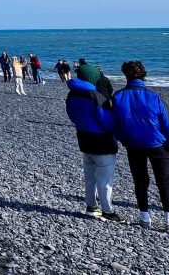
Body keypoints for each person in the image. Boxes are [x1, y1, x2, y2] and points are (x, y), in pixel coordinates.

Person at [112, 60, 169, 233]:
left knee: (140, 181)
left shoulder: (118, 96)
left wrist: (124, 139)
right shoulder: (153, 96)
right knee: (164, 181)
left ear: (126, 75)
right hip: (157, 144)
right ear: (143, 75)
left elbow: (115, 124)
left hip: (133, 144)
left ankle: (144, 217)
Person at [65, 63, 121, 221]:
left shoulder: (72, 94)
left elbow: (72, 116)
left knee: (89, 177)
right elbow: (106, 121)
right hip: (101, 141)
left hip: (83, 137)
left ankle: (91, 206)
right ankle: (108, 211)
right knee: (105, 179)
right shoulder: (95, 96)